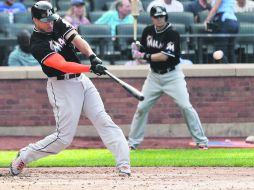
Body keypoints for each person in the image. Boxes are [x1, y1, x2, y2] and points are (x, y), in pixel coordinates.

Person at [9, 1, 131, 177]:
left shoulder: (56, 21)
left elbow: (76, 38)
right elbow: (63, 65)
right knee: (63, 138)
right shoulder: (37, 44)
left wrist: (92, 57)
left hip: (81, 81)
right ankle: (25, 156)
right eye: (45, 21)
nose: (50, 23)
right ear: (35, 20)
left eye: (51, 19)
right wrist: (90, 68)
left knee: (103, 120)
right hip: (61, 86)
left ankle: (123, 164)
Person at [128, 6, 209, 150]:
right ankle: (132, 144)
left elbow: (163, 56)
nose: (160, 19)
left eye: (162, 16)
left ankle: (201, 141)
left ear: (166, 17)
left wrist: (144, 56)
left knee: (185, 106)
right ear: (152, 18)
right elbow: (145, 52)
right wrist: (137, 49)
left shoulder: (172, 33)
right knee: (141, 108)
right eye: (157, 17)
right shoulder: (148, 31)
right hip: (154, 76)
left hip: (173, 76)